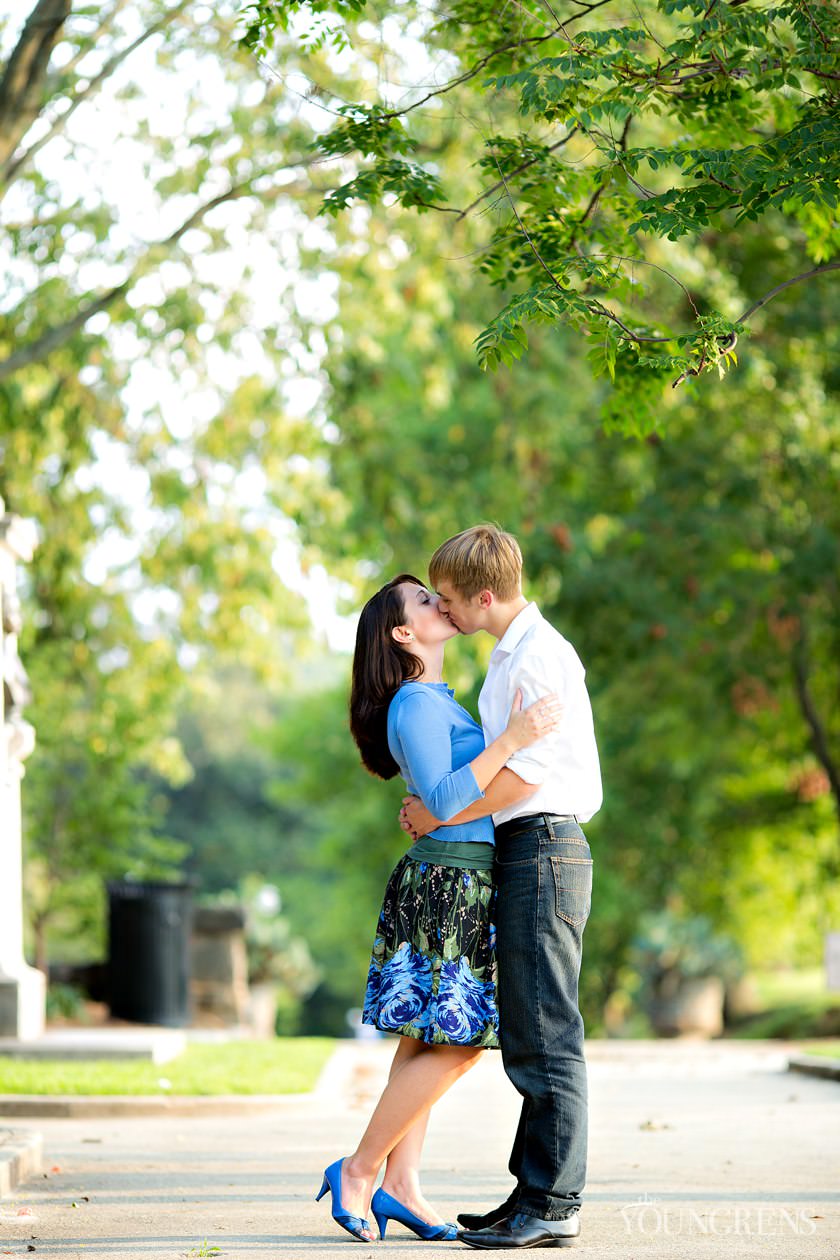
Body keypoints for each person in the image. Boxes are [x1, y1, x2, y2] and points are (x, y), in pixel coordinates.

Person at [316, 572, 562, 1244]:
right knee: (459, 1045)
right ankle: (362, 1170)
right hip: (447, 884)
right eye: (424, 601)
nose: (439, 603)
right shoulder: (416, 704)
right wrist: (513, 739)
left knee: (427, 1040)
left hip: (461, 879)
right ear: (403, 632)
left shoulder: (433, 700)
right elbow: (449, 802)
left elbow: (442, 799)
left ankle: (401, 1185)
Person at [400, 525, 602, 1251]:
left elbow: (526, 775)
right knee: (527, 1028)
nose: (445, 612)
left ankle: (554, 1201)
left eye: (450, 600)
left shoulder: (540, 658)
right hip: (525, 846)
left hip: (545, 841)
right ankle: (533, 1192)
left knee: (546, 1031)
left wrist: (441, 812)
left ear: (484, 596)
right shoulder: (508, 657)